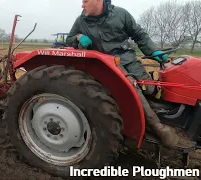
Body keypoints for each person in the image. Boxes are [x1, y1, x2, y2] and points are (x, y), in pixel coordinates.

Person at [66, 0, 195, 149]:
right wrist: (77, 38)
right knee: (133, 89)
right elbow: (69, 39)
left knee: (151, 88)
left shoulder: (121, 14)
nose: (82, 5)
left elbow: (139, 34)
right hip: (107, 65)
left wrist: (153, 51)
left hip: (128, 59)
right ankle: (158, 127)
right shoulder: (81, 21)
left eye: (85, 1)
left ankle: (160, 118)